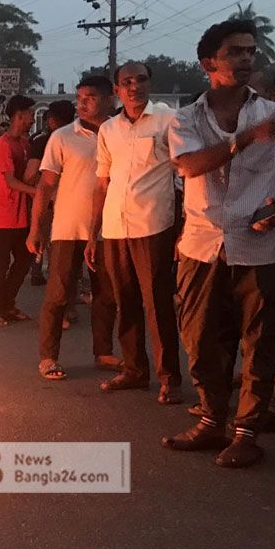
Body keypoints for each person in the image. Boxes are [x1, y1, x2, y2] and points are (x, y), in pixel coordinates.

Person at [162, 20, 275, 467]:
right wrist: (245, 140)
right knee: (200, 338)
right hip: (201, 245)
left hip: (260, 248)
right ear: (208, 63)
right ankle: (212, 420)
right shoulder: (185, 118)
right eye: (235, 52)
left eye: (251, 51)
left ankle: (246, 432)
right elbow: (191, 165)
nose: (247, 59)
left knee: (259, 342)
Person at [86, 61, 183, 401]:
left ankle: (169, 377)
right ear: (117, 90)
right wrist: (93, 232)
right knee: (124, 302)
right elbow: (102, 183)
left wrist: (181, 230)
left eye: (141, 80)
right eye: (126, 82)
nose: (134, 87)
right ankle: (134, 370)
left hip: (153, 224)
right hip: (114, 227)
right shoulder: (109, 130)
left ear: (149, 83)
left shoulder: (168, 120)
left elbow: (185, 174)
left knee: (157, 303)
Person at [27, 78, 120, 381]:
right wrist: (35, 228)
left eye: (91, 97)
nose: (83, 103)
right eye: (80, 97)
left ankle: (104, 351)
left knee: (106, 295)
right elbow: (45, 185)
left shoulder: (120, 134)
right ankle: (48, 356)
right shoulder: (63, 137)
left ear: (110, 99)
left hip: (111, 229)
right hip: (68, 228)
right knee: (58, 294)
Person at [0, 95, 38, 325]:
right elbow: (10, 181)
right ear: (18, 115)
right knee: (0, 263)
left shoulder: (25, 144)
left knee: (25, 259)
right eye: (29, 114)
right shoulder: (3, 145)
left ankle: (7, 302)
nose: (32, 118)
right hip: (2, 216)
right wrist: (37, 192)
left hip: (21, 216)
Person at [26, 100, 75, 287]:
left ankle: (38, 269)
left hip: (48, 199)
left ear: (51, 120)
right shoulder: (80, 139)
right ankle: (67, 284)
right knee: (64, 247)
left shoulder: (42, 142)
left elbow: (30, 173)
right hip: (73, 202)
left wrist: (33, 186)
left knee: (42, 237)